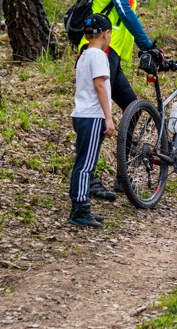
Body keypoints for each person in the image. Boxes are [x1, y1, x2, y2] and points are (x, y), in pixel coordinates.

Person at [82, 0, 164, 200]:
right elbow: (124, 12)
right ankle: (88, 178)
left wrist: (144, 50)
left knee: (133, 107)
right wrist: (147, 44)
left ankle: (123, 174)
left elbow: (123, 21)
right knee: (96, 114)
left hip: (113, 57)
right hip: (99, 54)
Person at [68, 14, 115, 228]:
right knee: (86, 165)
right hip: (92, 115)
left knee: (83, 162)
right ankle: (80, 209)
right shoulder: (98, 56)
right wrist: (109, 117)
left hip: (81, 114)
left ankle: (82, 206)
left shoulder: (84, 54)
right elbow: (99, 86)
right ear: (106, 34)